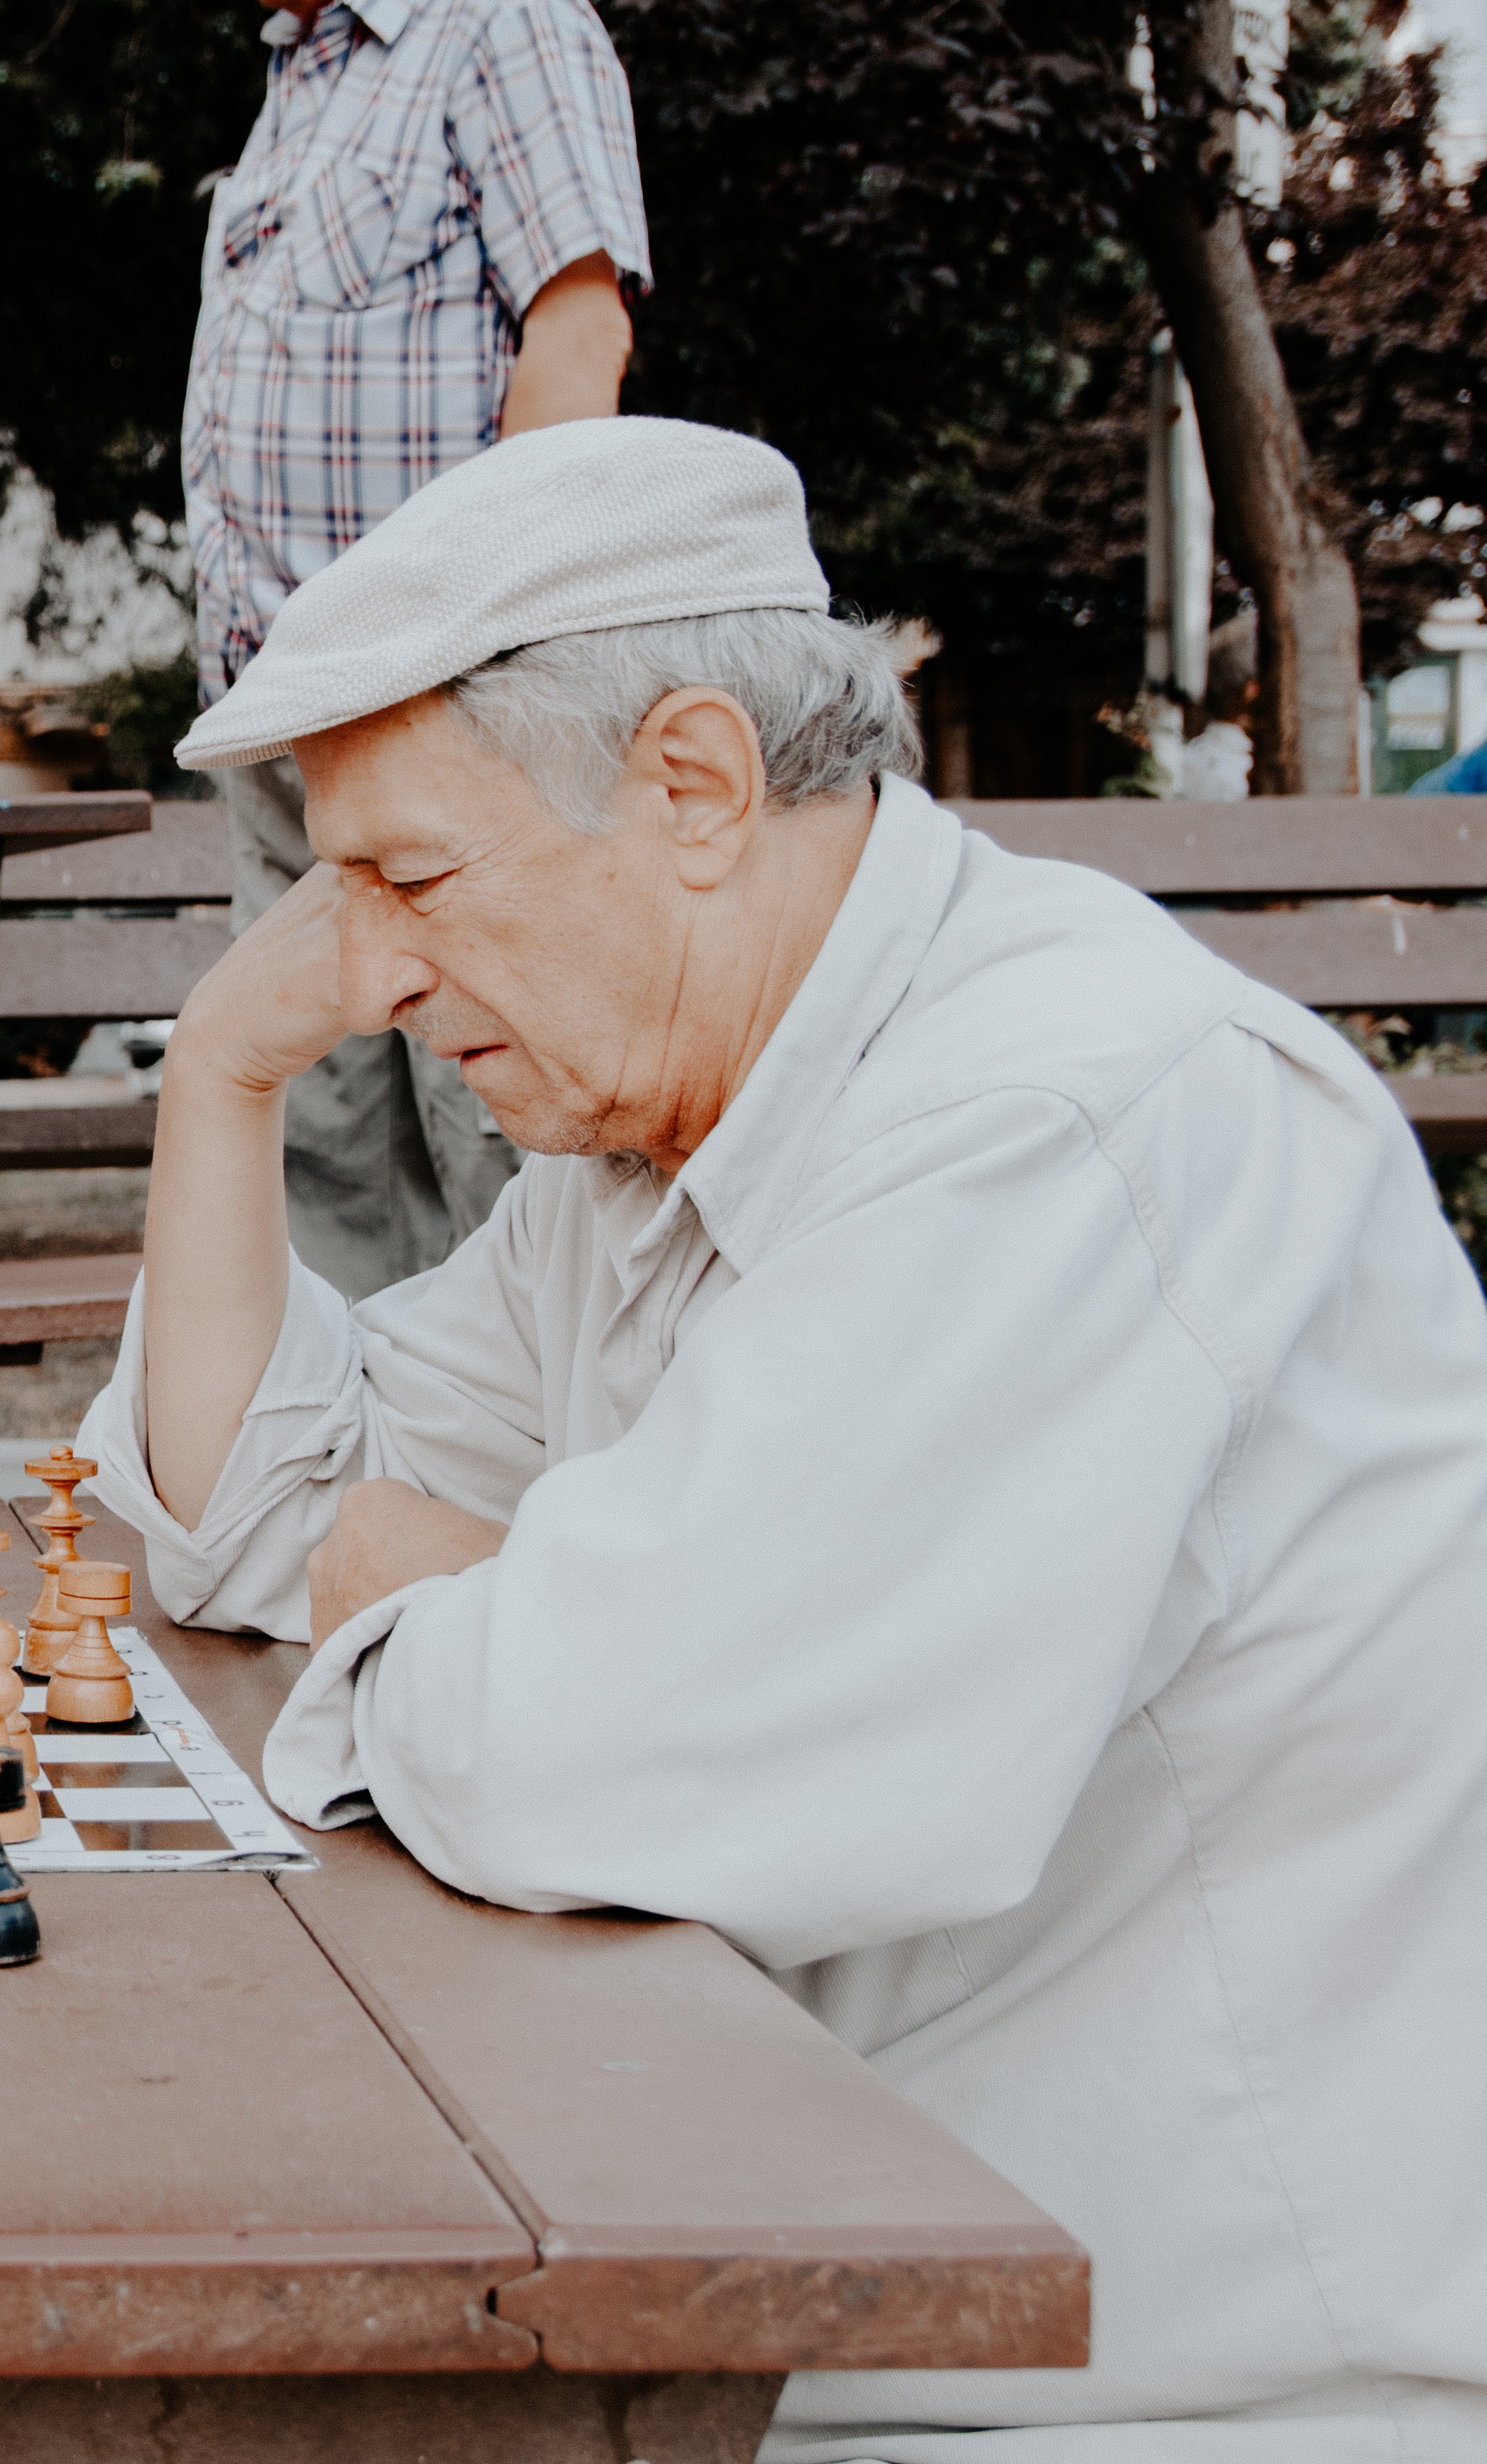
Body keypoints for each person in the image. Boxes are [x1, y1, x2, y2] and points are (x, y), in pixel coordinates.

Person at [81, 417, 1487, 2457]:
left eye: (413, 877)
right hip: (815, 2265)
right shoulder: (653, 1133)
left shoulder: (1055, 1121)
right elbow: (253, 1530)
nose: (370, 973)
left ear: (696, 788)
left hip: (1165, 2378)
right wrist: (217, 1075)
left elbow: (596, 1757)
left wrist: (459, 1591)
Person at [147, 0, 647, 1297]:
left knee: (491, 1126)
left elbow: (576, 337)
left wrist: (482, 657)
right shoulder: (300, 76)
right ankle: (362, 1497)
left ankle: (534, 1503)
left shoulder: (505, 19)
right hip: (278, 717)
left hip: (440, 704)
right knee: (321, 1144)